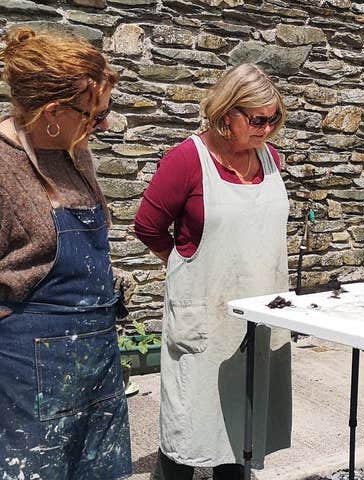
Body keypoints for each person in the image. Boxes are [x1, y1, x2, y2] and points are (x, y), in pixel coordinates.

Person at [134, 63, 292, 479]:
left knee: (244, 419)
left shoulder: (269, 158)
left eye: (275, 118)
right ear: (227, 116)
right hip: (205, 311)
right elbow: (147, 225)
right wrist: (183, 263)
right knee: (190, 421)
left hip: (260, 308)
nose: (269, 128)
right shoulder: (187, 159)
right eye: (258, 120)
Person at [0, 27, 131, 478]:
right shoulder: (3, 166)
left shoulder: (76, 153)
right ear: (53, 111)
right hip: (26, 373)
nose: (104, 124)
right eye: (94, 115)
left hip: (96, 360)